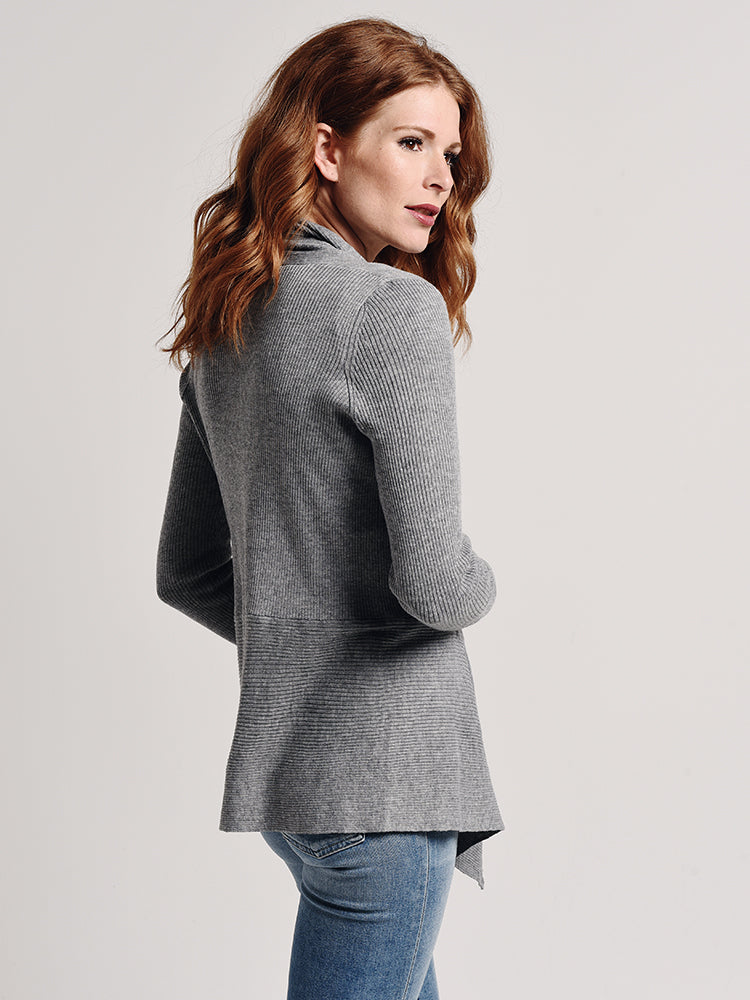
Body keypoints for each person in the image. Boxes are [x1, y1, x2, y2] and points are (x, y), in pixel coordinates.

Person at [156, 16, 505, 1000]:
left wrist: (300, 638)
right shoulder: (391, 309)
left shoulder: (227, 322)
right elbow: (437, 586)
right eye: (411, 142)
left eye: (450, 153)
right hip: (387, 784)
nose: (440, 177)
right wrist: (487, 582)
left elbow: (187, 573)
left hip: (299, 787)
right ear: (327, 148)